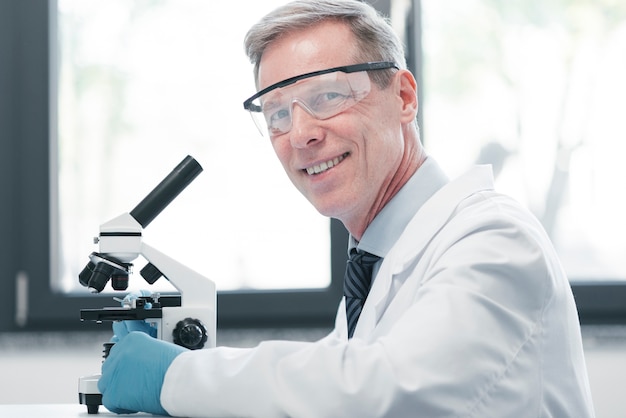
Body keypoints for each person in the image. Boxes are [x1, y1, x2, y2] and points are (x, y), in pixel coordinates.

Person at [98, 0, 596, 416]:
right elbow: (333, 385)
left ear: (402, 96)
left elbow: (383, 390)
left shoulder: (493, 241)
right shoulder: (377, 263)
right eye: (277, 114)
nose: (301, 134)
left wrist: (176, 375)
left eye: (328, 95)